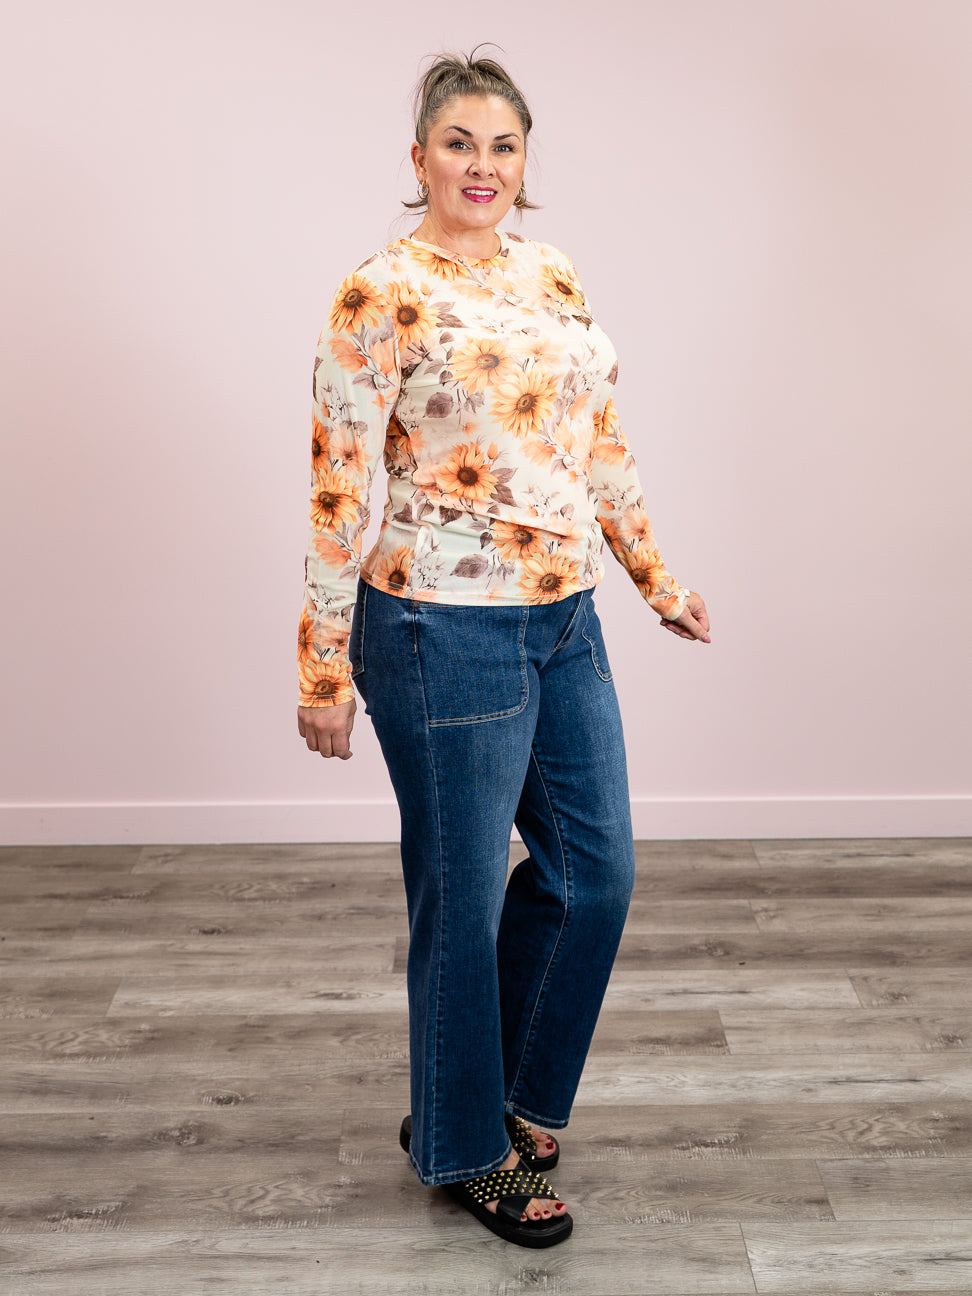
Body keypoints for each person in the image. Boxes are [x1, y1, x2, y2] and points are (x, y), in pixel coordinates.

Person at [297, 49, 710, 1248]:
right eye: (459, 143)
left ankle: (492, 1099)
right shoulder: (380, 292)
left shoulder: (551, 270)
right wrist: (323, 667)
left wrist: (654, 575)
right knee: (465, 900)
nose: (482, 166)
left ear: (526, 163)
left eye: (503, 146)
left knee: (593, 875)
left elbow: (600, 440)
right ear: (419, 157)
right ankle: (470, 1150)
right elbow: (338, 489)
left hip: (565, 611)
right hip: (440, 625)